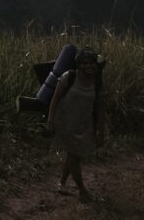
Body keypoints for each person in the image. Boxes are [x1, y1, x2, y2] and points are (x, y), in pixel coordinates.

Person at [45, 47, 105, 202]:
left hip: (83, 124)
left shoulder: (97, 81)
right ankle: (82, 191)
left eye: (91, 63)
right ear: (78, 65)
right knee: (73, 156)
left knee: (75, 156)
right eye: (84, 63)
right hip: (65, 122)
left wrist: (100, 130)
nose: (88, 66)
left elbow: (99, 108)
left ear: (95, 64)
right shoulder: (68, 77)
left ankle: (62, 182)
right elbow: (56, 99)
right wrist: (50, 121)